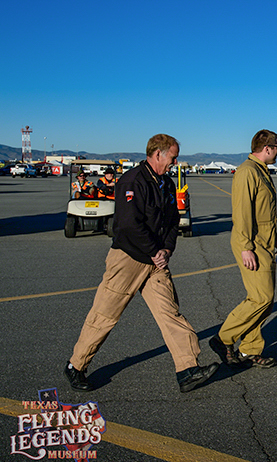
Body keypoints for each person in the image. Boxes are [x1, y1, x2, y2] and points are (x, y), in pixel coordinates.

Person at [64, 134, 219, 393]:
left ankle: (188, 369)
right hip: (128, 259)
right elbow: (127, 225)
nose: (175, 161)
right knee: (104, 315)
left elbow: (172, 220)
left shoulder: (166, 184)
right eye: (173, 156)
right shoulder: (132, 181)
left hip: (155, 262)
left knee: (170, 314)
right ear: (157, 154)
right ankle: (76, 366)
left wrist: (167, 249)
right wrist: (154, 250)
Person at [209, 129, 277, 369]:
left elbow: (264, 214)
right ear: (267, 148)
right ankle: (223, 339)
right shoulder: (247, 172)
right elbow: (242, 213)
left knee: (266, 301)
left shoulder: (261, 171)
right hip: (251, 242)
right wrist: (245, 247)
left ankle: (251, 350)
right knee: (261, 297)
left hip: (264, 241)